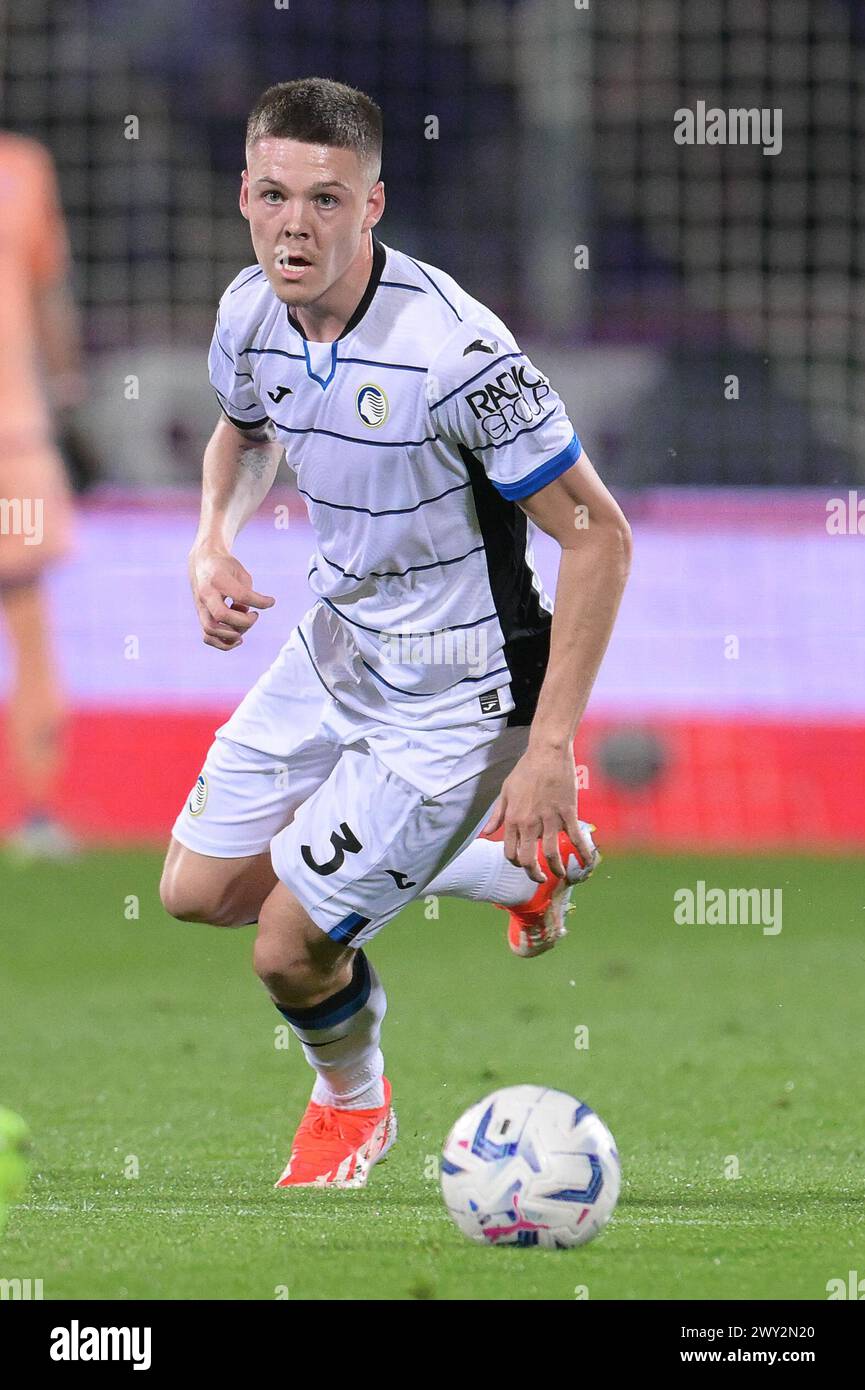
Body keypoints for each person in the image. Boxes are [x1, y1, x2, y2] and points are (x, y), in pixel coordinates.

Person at [159, 78, 632, 1188]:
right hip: (334, 642)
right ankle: (509, 879)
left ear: (374, 203)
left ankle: (351, 1104)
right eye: (274, 195)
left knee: (287, 944)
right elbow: (242, 435)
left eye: (326, 200)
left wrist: (552, 747)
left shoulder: (457, 352)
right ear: (243, 196)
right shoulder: (246, 312)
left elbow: (598, 539)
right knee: (195, 894)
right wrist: (213, 542)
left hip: (461, 691)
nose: (295, 225)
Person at [0, 132, 84, 859]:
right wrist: (67, 388)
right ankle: (38, 810)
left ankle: (38, 803)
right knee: (26, 618)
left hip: (13, 439)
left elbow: (47, 287)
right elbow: (48, 289)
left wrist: (62, 386)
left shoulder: (27, 166)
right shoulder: (23, 171)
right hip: (16, 439)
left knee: (26, 616)